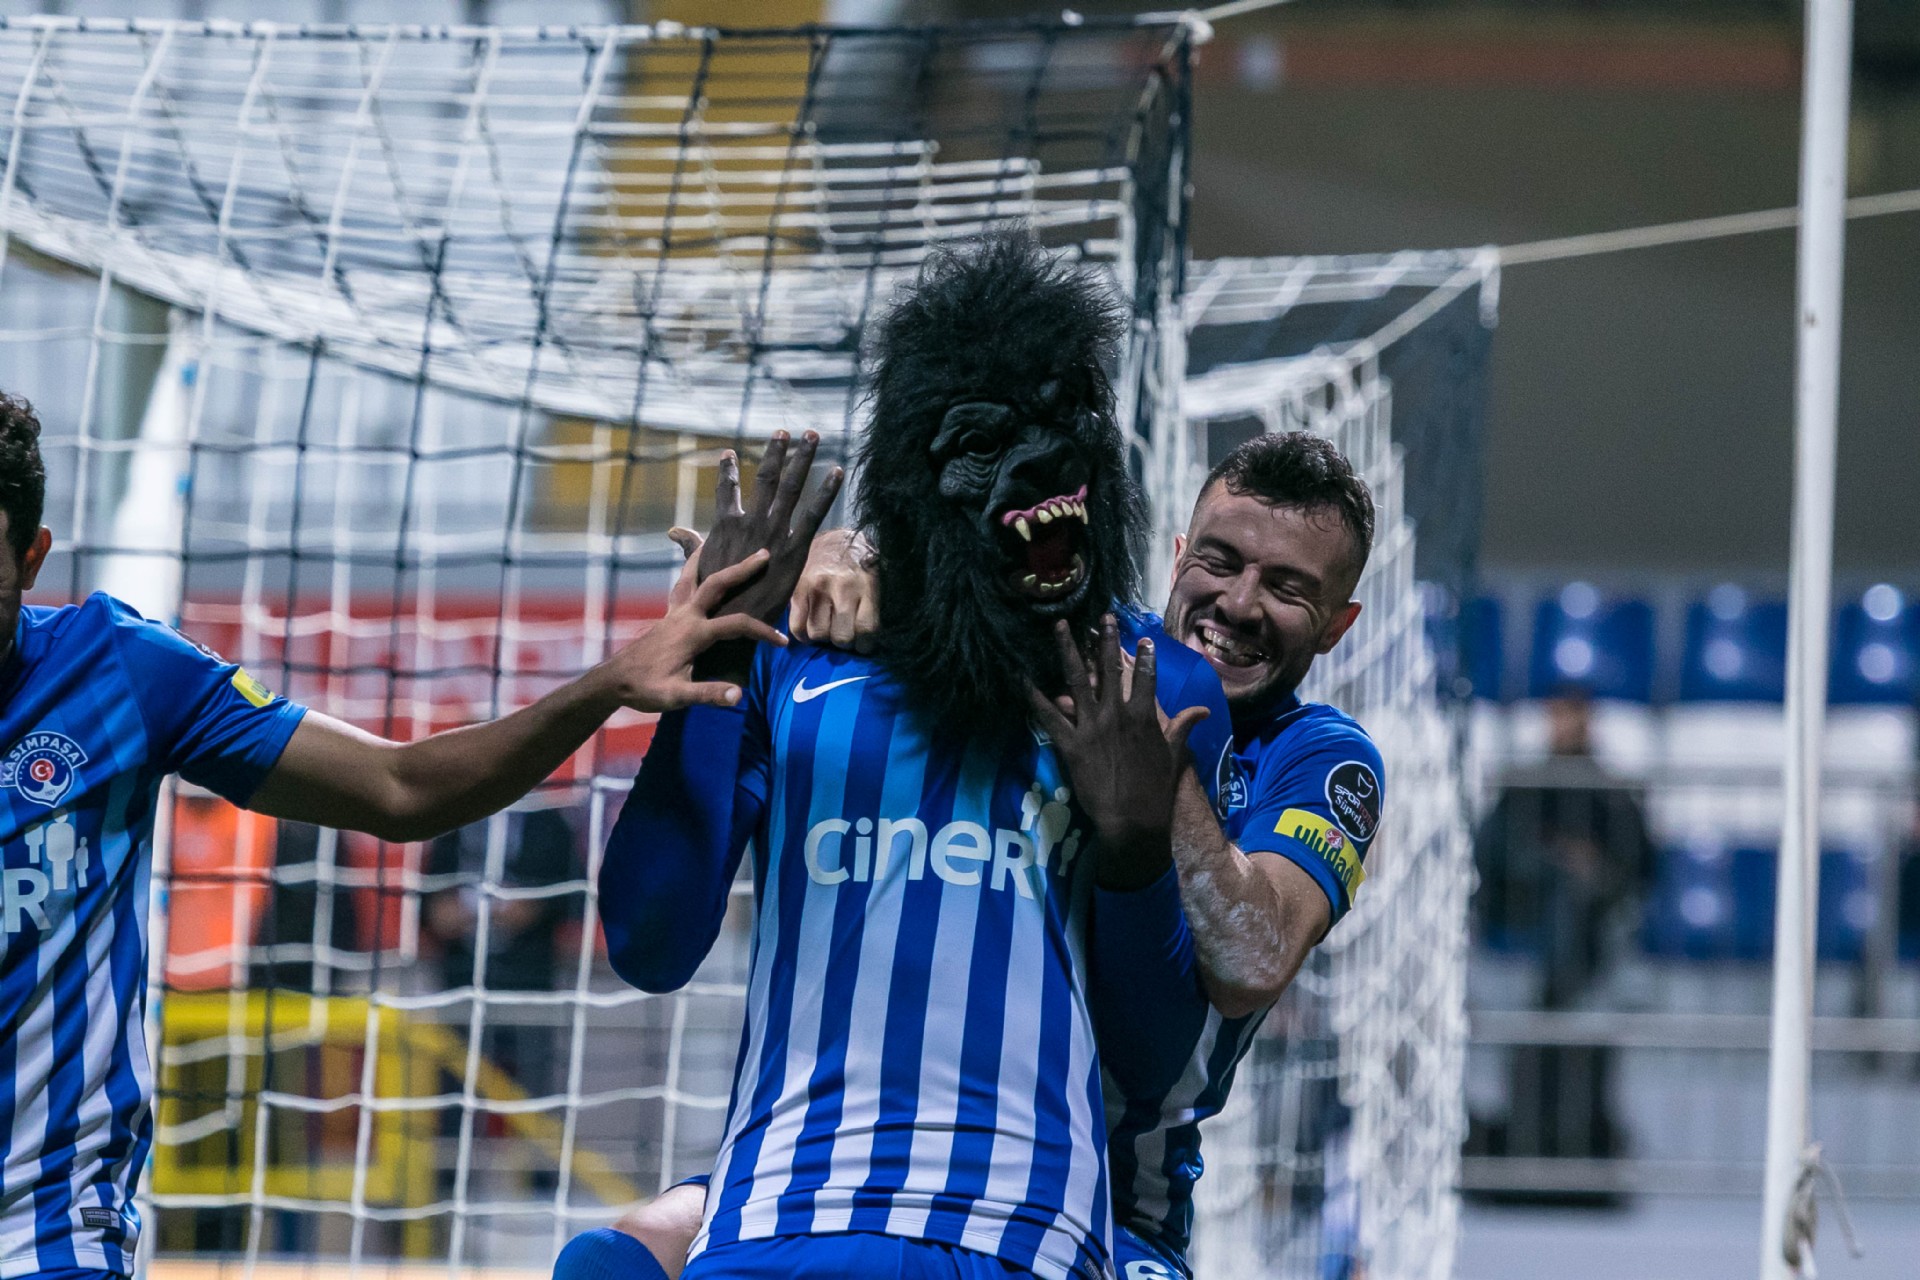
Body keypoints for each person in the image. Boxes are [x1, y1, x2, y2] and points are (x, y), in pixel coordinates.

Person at [0, 389, 832, 1279]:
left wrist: (610, 683)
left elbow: (401, 787)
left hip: (45, 1234)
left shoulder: (118, 671)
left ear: (34, 554)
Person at [558, 233, 1233, 1280]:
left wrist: (1137, 850)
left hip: (1020, 1239)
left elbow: (1148, 1069)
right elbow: (650, 942)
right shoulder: (792, 651)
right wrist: (717, 655)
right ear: (916, 483)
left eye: (1065, 417)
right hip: (778, 1224)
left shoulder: (1157, 686)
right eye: (987, 439)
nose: (1041, 459)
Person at [597, 427, 1388, 1280]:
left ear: (1338, 625)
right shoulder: (1070, 644)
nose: (1238, 603)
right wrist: (849, 554)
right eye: (1219, 562)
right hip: (889, 1149)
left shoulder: (1323, 758)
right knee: (613, 1257)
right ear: (1176, 555)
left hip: (1122, 1198)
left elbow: (1251, 956)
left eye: (1287, 589)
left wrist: (1152, 754)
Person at [1469, 684, 1653, 1190]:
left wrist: (1592, 872)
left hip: (1591, 937)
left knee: (1573, 901)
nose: (1565, 724)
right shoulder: (1525, 785)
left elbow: (1638, 869)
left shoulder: (1610, 792)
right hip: (1525, 929)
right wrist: (1555, 861)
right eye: (1557, 713)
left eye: (1574, 713)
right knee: (1561, 894)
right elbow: (1490, 859)